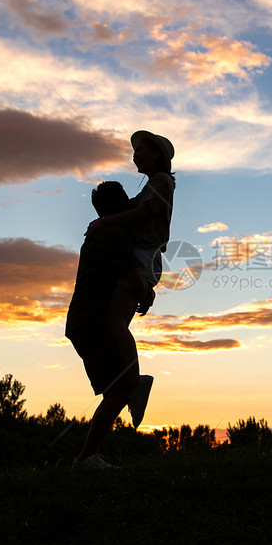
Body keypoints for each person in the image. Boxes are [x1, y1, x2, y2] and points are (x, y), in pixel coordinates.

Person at [86, 130, 175, 436]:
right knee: (115, 324)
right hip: (139, 257)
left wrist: (102, 222)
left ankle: (136, 385)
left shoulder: (162, 180)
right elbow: (129, 209)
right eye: (134, 151)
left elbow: (136, 213)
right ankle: (130, 384)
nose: (135, 155)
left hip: (143, 258)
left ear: (157, 156)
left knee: (114, 324)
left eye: (141, 150)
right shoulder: (153, 184)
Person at [66, 181, 152, 470]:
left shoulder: (101, 233)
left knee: (115, 389)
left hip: (85, 322)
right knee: (118, 391)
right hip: (92, 323)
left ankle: (88, 457)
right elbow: (135, 279)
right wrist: (146, 292)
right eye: (126, 199)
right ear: (121, 204)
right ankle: (85, 459)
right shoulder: (114, 235)